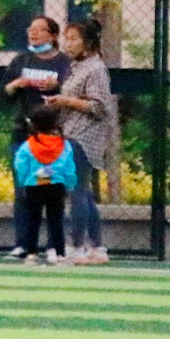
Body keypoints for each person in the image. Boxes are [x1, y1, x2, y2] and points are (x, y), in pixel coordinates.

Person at [1, 16, 71, 257]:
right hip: (24, 133)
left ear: (53, 35)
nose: (33, 34)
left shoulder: (64, 62)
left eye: (40, 30)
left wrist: (57, 85)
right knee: (24, 188)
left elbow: (70, 88)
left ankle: (55, 245)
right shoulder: (21, 60)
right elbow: (5, 90)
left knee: (53, 189)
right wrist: (18, 83)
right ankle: (24, 243)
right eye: (31, 30)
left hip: (54, 135)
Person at [48, 19, 116, 265]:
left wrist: (64, 101)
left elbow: (99, 106)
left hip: (83, 137)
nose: (68, 43)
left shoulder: (95, 69)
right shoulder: (78, 67)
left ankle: (75, 246)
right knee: (84, 193)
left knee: (76, 191)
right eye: (67, 38)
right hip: (72, 133)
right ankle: (97, 247)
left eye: (74, 38)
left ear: (88, 42)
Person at [12, 107, 79, 264]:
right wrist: (70, 184)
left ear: (34, 125)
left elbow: (20, 164)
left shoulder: (28, 145)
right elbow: (70, 168)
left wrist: (24, 180)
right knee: (56, 220)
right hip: (56, 186)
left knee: (32, 220)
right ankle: (60, 254)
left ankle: (31, 253)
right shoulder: (64, 145)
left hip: (33, 185)